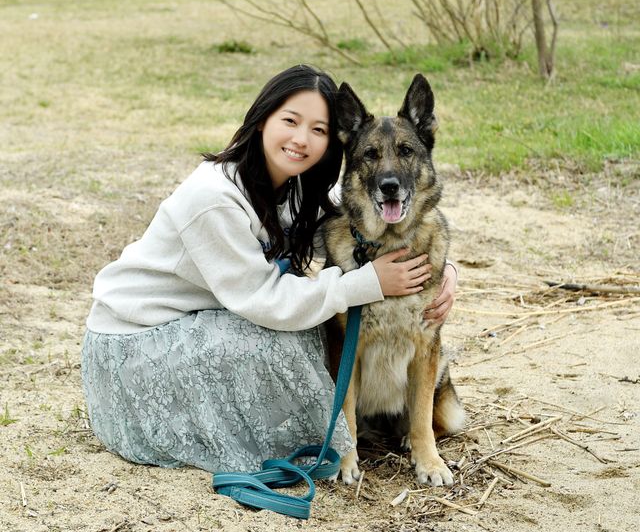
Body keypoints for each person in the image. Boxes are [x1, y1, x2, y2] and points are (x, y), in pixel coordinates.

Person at [81, 65, 457, 475]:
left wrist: (441, 269)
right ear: (262, 120)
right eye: (290, 121)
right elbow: (265, 301)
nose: (301, 139)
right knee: (289, 343)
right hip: (135, 342)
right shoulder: (212, 198)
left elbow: (364, 221)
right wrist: (366, 283)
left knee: (304, 338)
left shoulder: (296, 187)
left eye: (318, 129)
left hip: (198, 320)